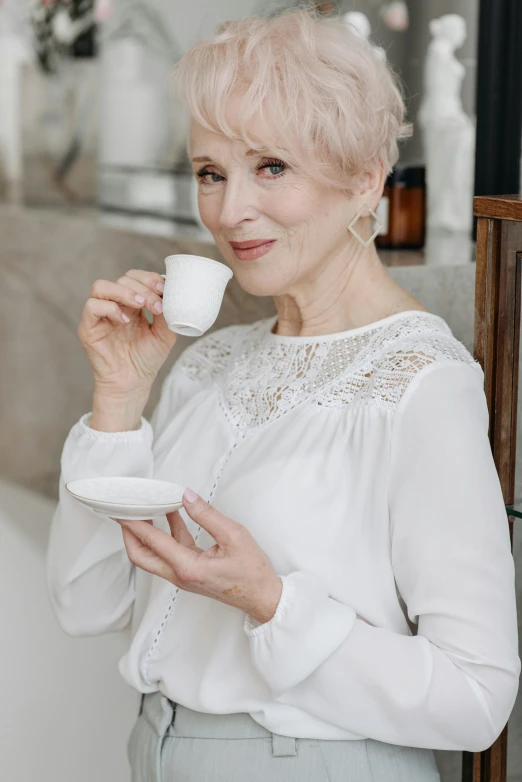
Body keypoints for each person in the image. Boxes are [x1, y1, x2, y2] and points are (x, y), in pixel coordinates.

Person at [46, 7, 520, 781]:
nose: (230, 213)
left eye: (271, 167)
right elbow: (87, 606)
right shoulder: (208, 366)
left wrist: (272, 602)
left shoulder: (420, 382)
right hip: (155, 751)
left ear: (366, 177)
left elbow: (477, 698)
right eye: (211, 172)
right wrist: (119, 399)